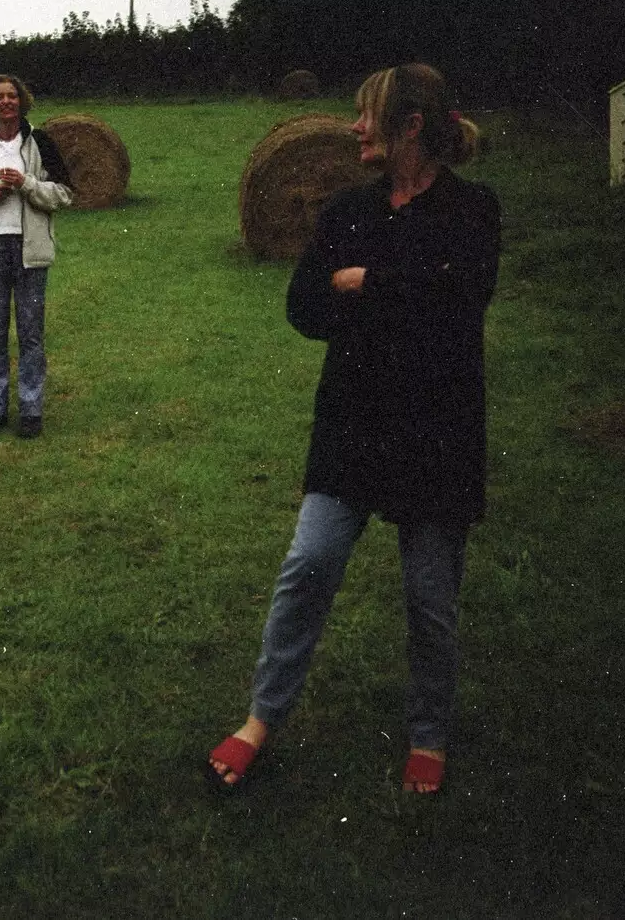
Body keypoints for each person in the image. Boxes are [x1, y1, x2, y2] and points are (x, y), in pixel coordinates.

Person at [207, 64, 500, 794]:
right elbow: (304, 307)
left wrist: (366, 283)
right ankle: (260, 719)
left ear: (409, 127)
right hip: (352, 427)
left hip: (437, 432)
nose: (352, 127)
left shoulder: (474, 210)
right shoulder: (345, 212)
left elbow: (461, 302)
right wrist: (399, 290)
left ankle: (429, 735)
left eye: (366, 115)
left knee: (430, 599)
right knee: (307, 570)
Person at [0, 73, 73, 439]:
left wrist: (27, 184)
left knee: (31, 334)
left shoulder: (41, 145)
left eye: (13, 96)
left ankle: (32, 411)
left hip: (30, 250)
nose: (6, 102)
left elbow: (65, 194)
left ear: (22, 102)